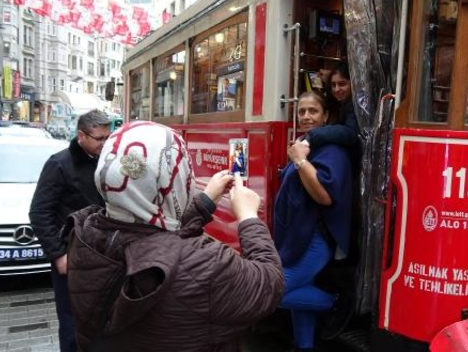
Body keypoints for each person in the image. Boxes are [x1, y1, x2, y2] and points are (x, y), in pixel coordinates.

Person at [66, 121, 284, 351]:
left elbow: (159, 240)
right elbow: (270, 283)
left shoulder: (84, 233)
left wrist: (206, 200)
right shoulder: (204, 264)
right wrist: (249, 217)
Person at [274, 92, 353, 351]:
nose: (306, 116)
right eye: (301, 111)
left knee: (272, 292)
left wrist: (299, 160)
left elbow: (325, 196)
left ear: (326, 116)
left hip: (315, 240)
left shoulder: (332, 150)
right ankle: (304, 346)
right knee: (300, 292)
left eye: (313, 111)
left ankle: (336, 301)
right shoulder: (305, 145)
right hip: (296, 238)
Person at [29, 110, 111, 352]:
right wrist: (57, 255)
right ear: (81, 136)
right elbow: (39, 213)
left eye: (108, 137)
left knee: (102, 321)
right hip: (71, 256)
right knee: (72, 324)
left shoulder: (106, 162)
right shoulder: (59, 164)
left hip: (103, 256)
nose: (105, 143)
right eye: (99, 139)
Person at [304, 63, 359, 151]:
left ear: (353, 84)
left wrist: (311, 137)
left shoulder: (355, 105)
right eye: (333, 85)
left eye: (342, 84)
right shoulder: (336, 104)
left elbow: (350, 133)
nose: (336, 89)